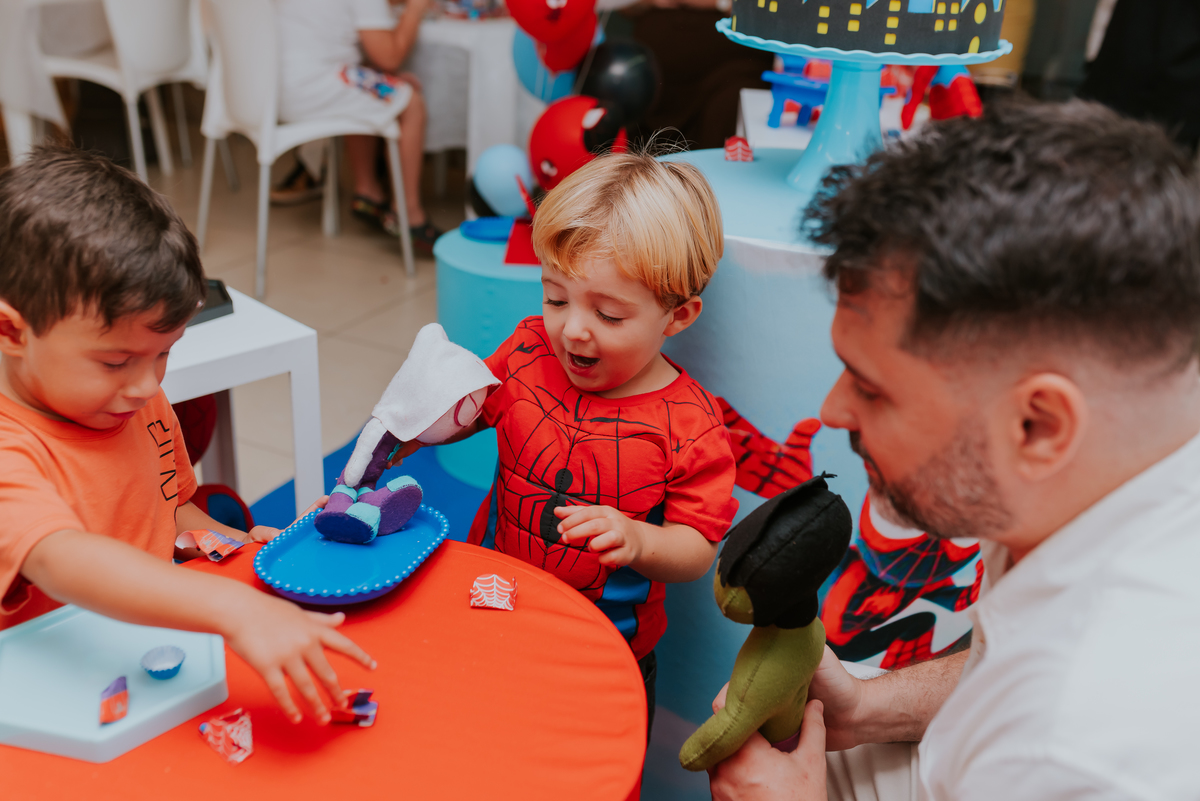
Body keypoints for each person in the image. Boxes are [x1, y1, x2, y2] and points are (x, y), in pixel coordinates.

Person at [708, 100, 1200, 799]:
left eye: (874, 389)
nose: (832, 410)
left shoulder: (1078, 746)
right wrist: (872, 705)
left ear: (1038, 426)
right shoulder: (1121, 453)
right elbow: (998, 664)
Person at [0, 146, 374, 725]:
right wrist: (229, 606)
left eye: (164, 354)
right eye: (115, 361)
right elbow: (61, 559)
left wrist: (244, 549)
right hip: (45, 699)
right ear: (11, 330)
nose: (147, 383)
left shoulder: (136, 398)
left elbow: (169, 516)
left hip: (143, 659)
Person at [391, 151, 739, 728]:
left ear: (677, 317)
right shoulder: (529, 347)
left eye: (608, 314)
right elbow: (473, 410)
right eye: (555, 298)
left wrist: (636, 540)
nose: (572, 328)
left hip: (608, 650)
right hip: (494, 603)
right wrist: (417, 426)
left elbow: (697, 550)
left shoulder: (689, 424)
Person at [274, 0, 442, 252]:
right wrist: (415, 9)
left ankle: (368, 192)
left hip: (272, 86)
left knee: (366, 80)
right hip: (311, 87)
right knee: (410, 102)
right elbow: (390, 57)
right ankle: (408, 214)